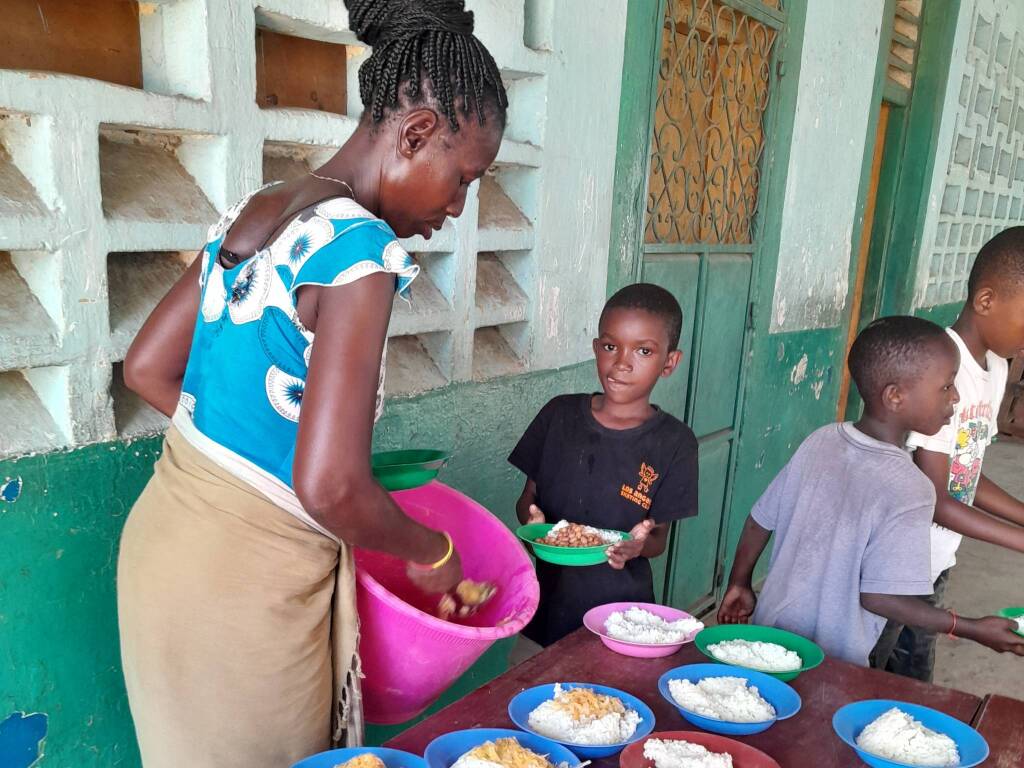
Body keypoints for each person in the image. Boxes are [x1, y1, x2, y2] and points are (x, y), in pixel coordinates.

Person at [116, 2, 507, 766]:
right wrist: (433, 551)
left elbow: (147, 369)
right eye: (462, 179)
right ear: (418, 132)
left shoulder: (264, 206)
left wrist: (248, 461)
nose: (455, 208)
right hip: (241, 591)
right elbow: (331, 490)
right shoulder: (359, 255)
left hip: (165, 550)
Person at [718, 316, 1024, 667]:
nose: (955, 397)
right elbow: (880, 598)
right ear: (895, 396)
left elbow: (759, 520)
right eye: (945, 387)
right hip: (832, 662)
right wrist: (969, 627)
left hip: (768, 639)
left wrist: (739, 583)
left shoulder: (821, 441)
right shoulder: (911, 488)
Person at [508, 283, 699, 652]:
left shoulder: (675, 443)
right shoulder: (558, 415)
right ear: (597, 348)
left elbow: (657, 539)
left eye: (644, 351)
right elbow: (528, 499)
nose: (622, 362)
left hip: (622, 623)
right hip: (543, 616)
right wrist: (533, 524)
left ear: (669, 363)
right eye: (611, 346)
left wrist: (636, 545)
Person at [872, 226, 1024, 681]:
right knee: (876, 673)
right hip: (894, 567)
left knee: (909, 678)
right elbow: (934, 498)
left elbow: (966, 471)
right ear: (985, 301)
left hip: (934, 562)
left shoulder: (995, 366)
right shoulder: (940, 369)